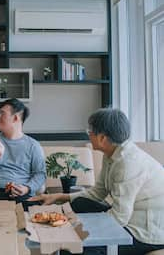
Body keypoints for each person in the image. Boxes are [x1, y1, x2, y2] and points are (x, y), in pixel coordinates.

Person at [29, 108, 164, 255]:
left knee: (75, 248)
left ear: (102, 138)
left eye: (90, 132)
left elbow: (119, 218)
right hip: (129, 217)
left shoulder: (127, 163)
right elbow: (97, 192)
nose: (88, 135)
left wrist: (73, 228)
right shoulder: (111, 154)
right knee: (80, 203)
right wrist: (60, 197)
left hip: (145, 233)